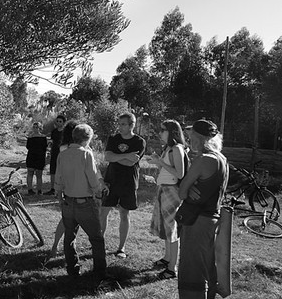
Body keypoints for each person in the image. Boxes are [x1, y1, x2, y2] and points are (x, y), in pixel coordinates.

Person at [161, 119, 229, 299]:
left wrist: (187, 190)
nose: (189, 141)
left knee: (192, 271)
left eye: (191, 138)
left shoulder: (203, 160)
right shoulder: (222, 159)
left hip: (197, 220)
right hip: (212, 219)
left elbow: (182, 191)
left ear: (200, 138)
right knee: (208, 268)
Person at [55, 124, 109, 283]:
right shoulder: (86, 154)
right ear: (88, 138)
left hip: (68, 201)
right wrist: (98, 193)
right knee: (97, 239)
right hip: (85, 202)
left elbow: (58, 179)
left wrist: (60, 199)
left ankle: (72, 271)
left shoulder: (62, 155)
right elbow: (92, 178)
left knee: (69, 238)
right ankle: (100, 273)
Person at [100, 113, 146, 259]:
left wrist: (117, 157)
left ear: (132, 125)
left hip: (128, 182)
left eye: (123, 124)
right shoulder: (113, 139)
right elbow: (108, 157)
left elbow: (131, 162)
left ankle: (121, 248)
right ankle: (99, 244)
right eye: (119, 124)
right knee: (103, 211)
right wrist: (125, 156)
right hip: (111, 180)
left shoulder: (139, 141)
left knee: (124, 213)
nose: (120, 127)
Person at [148, 120, 188, 279]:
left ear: (172, 132)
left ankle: (172, 268)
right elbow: (166, 169)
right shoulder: (168, 149)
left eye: (163, 130)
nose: (160, 133)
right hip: (163, 189)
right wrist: (158, 162)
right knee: (165, 227)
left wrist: (159, 162)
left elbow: (180, 174)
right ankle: (167, 258)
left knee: (172, 230)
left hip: (172, 192)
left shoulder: (177, 149)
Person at [48, 119, 79, 257]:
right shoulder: (70, 148)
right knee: (69, 220)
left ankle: (59, 246)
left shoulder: (64, 147)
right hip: (73, 187)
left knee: (69, 220)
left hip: (70, 186)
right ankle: (59, 247)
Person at [45, 115, 66, 195]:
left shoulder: (65, 132)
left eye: (60, 121)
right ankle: (52, 188)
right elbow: (51, 142)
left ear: (63, 123)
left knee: (62, 171)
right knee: (53, 170)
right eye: (57, 121)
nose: (58, 123)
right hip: (54, 152)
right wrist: (49, 152)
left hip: (62, 153)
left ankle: (62, 189)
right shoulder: (54, 131)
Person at [25, 121, 47, 195]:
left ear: (40, 128)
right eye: (34, 127)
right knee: (30, 173)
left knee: (39, 174)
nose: (35, 129)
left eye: (37, 127)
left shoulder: (43, 137)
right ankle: (30, 190)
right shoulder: (30, 137)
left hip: (40, 157)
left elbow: (45, 147)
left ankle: (39, 190)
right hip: (31, 156)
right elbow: (28, 147)